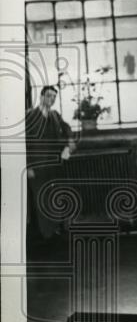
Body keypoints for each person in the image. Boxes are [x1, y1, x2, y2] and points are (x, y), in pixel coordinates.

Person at [25, 85, 74, 241]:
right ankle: (45, 235)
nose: (51, 99)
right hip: (37, 166)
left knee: (53, 197)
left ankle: (53, 232)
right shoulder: (30, 116)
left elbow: (67, 130)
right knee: (41, 198)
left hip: (54, 165)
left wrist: (69, 144)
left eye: (54, 97)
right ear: (41, 97)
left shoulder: (55, 115)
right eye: (48, 96)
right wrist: (28, 166)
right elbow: (23, 144)